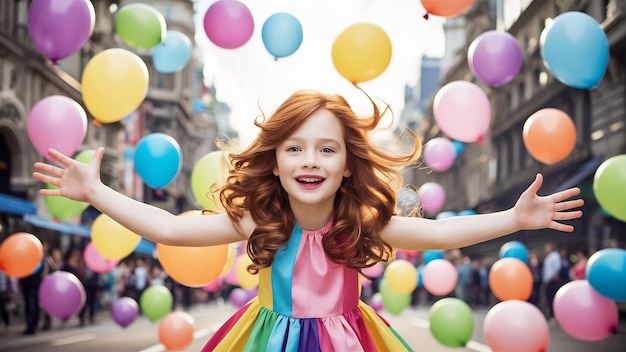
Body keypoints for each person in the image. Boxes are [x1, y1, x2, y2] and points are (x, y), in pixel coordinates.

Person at [32, 89, 584, 351]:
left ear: (348, 166)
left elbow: (439, 232)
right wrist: (97, 191)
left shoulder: (360, 220)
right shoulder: (260, 219)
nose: (310, 161)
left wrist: (514, 219)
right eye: (294, 149)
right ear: (274, 159)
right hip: (265, 340)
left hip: (351, 342)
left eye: (326, 149)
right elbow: (171, 229)